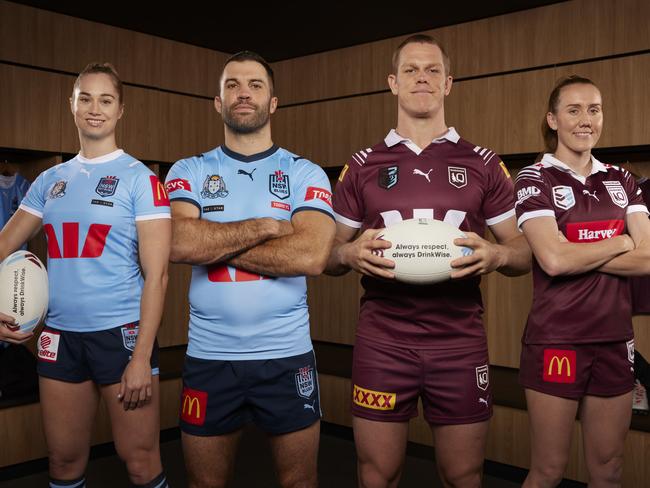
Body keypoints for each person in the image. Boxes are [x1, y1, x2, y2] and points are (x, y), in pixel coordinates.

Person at [326, 34, 531, 488]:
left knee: (463, 474)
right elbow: (328, 254)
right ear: (393, 83)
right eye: (412, 70)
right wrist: (348, 252)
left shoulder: (482, 162)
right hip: (383, 341)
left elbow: (523, 251)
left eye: (433, 70)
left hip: (458, 341)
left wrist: (496, 254)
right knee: (378, 473)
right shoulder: (362, 164)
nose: (423, 78)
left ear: (449, 84)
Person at [165, 51, 336, 488]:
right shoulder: (190, 169)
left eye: (255, 85)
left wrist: (212, 241)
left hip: (286, 355)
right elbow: (178, 241)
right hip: (209, 357)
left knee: (300, 482)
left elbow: (312, 255)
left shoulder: (303, 171)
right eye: (233, 85)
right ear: (218, 103)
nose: (244, 93)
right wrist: (264, 227)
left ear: (273, 103)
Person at [0, 63, 171, 488]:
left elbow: (159, 276)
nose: (95, 109)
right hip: (59, 337)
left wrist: (141, 357)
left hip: (122, 336)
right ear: (72, 105)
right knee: (63, 462)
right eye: (86, 98)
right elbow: (3, 247)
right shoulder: (48, 181)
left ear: (120, 110)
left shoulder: (141, 179)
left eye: (106, 100)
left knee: (140, 462)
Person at [514, 75, 650, 487]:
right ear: (553, 119)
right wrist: (621, 240)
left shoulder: (622, 180)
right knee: (549, 470)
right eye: (573, 110)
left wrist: (575, 250)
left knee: (608, 470)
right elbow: (552, 261)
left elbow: (647, 258)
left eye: (594, 109)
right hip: (557, 339)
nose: (585, 119)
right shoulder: (533, 178)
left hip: (614, 340)